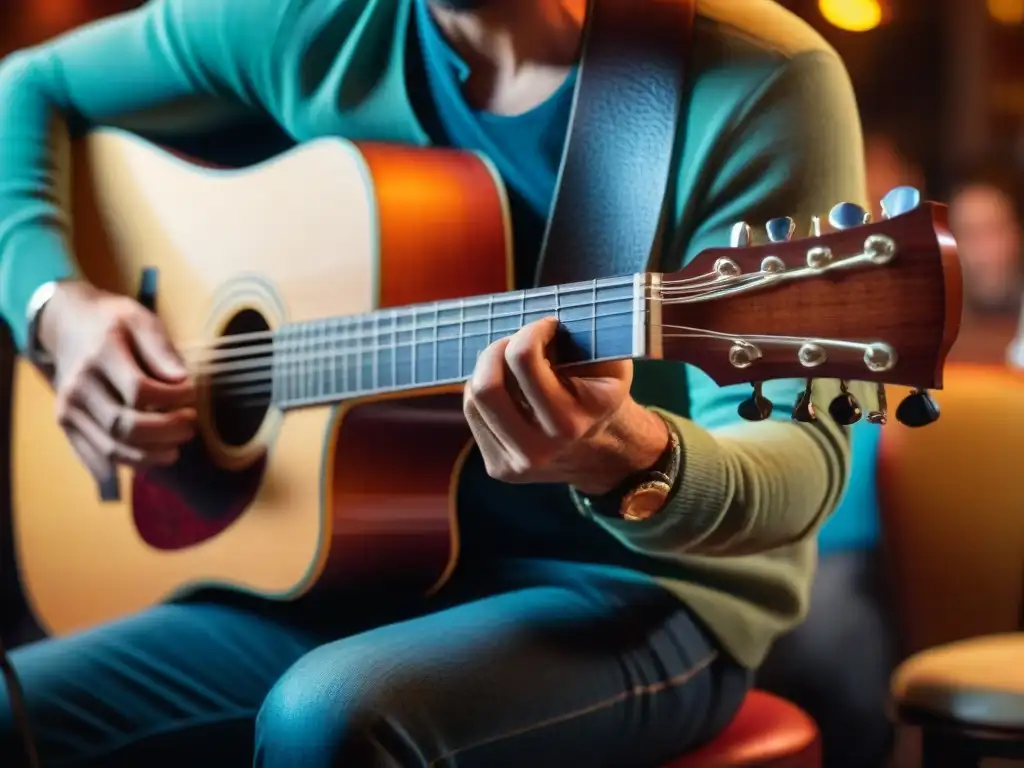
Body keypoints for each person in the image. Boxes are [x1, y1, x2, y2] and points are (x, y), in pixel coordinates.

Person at [0, 0, 864, 765]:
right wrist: (54, 307)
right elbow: (23, 86)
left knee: (332, 717)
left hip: (639, 594)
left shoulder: (755, 77)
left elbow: (804, 456)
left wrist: (627, 457)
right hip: (353, 575)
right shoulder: (316, 20)